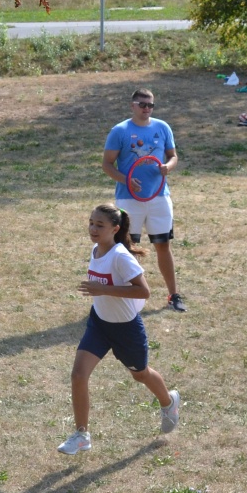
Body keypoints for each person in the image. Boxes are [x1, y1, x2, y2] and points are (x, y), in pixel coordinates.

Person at [58, 204, 181, 455]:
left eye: (99, 225)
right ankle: (81, 435)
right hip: (99, 324)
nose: (93, 229)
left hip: (126, 329)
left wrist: (103, 289)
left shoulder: (120, 257)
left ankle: (169, 402)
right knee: (78, 375)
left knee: (140, 374)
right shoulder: (96, 250)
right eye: (91, 223)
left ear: (115, 229)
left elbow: (143, 291)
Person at [103, 88, 184, 311]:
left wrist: (168, 166)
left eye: (150, 105)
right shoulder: (120, 131)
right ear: (133, 106)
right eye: (142, 104)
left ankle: (173, 295)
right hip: (129, 199)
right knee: (125, 248)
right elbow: (107, 164)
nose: (147, 108)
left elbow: (173, 156)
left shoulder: (162, 127)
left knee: (163, 245)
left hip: (159, 196)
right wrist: (126, 180)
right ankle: (125, 297)